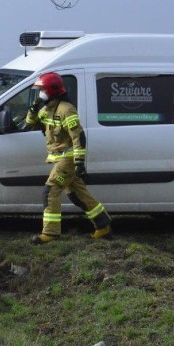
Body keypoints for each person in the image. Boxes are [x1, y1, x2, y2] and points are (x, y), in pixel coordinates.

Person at [25, 72, 111, 244]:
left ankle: (50, 233)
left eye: (42, 90)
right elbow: (30, 124)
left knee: (50, 192)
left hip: (68, 159)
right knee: (77, 194)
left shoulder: (66, 109)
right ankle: (103, 225)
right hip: (59, 158)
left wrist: (79, 162)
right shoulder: (46, 110)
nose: (39, 93)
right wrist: (33, 110)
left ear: (51, 90)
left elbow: (78, 137)